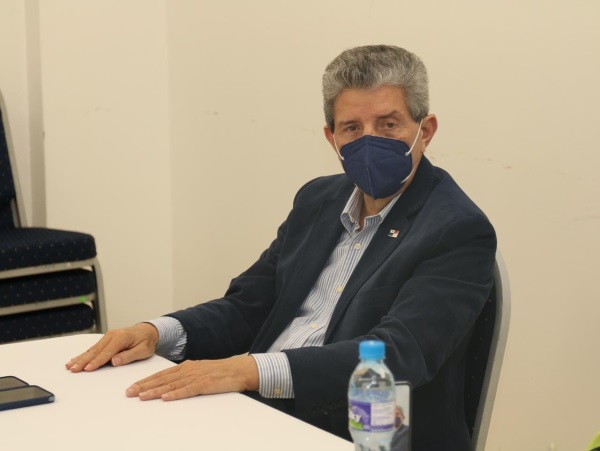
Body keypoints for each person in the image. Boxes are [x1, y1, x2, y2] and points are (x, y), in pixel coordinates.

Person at [66, 45, 496, 450]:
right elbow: (248, 306)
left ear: (425, 131)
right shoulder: (318, 200)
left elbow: (400, 354)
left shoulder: (458, 229)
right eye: (352, 128)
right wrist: (157, 333)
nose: (370, 140)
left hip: (360, 430)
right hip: (260, 409)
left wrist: (247, 370)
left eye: (388, 124)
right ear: (331, 137)